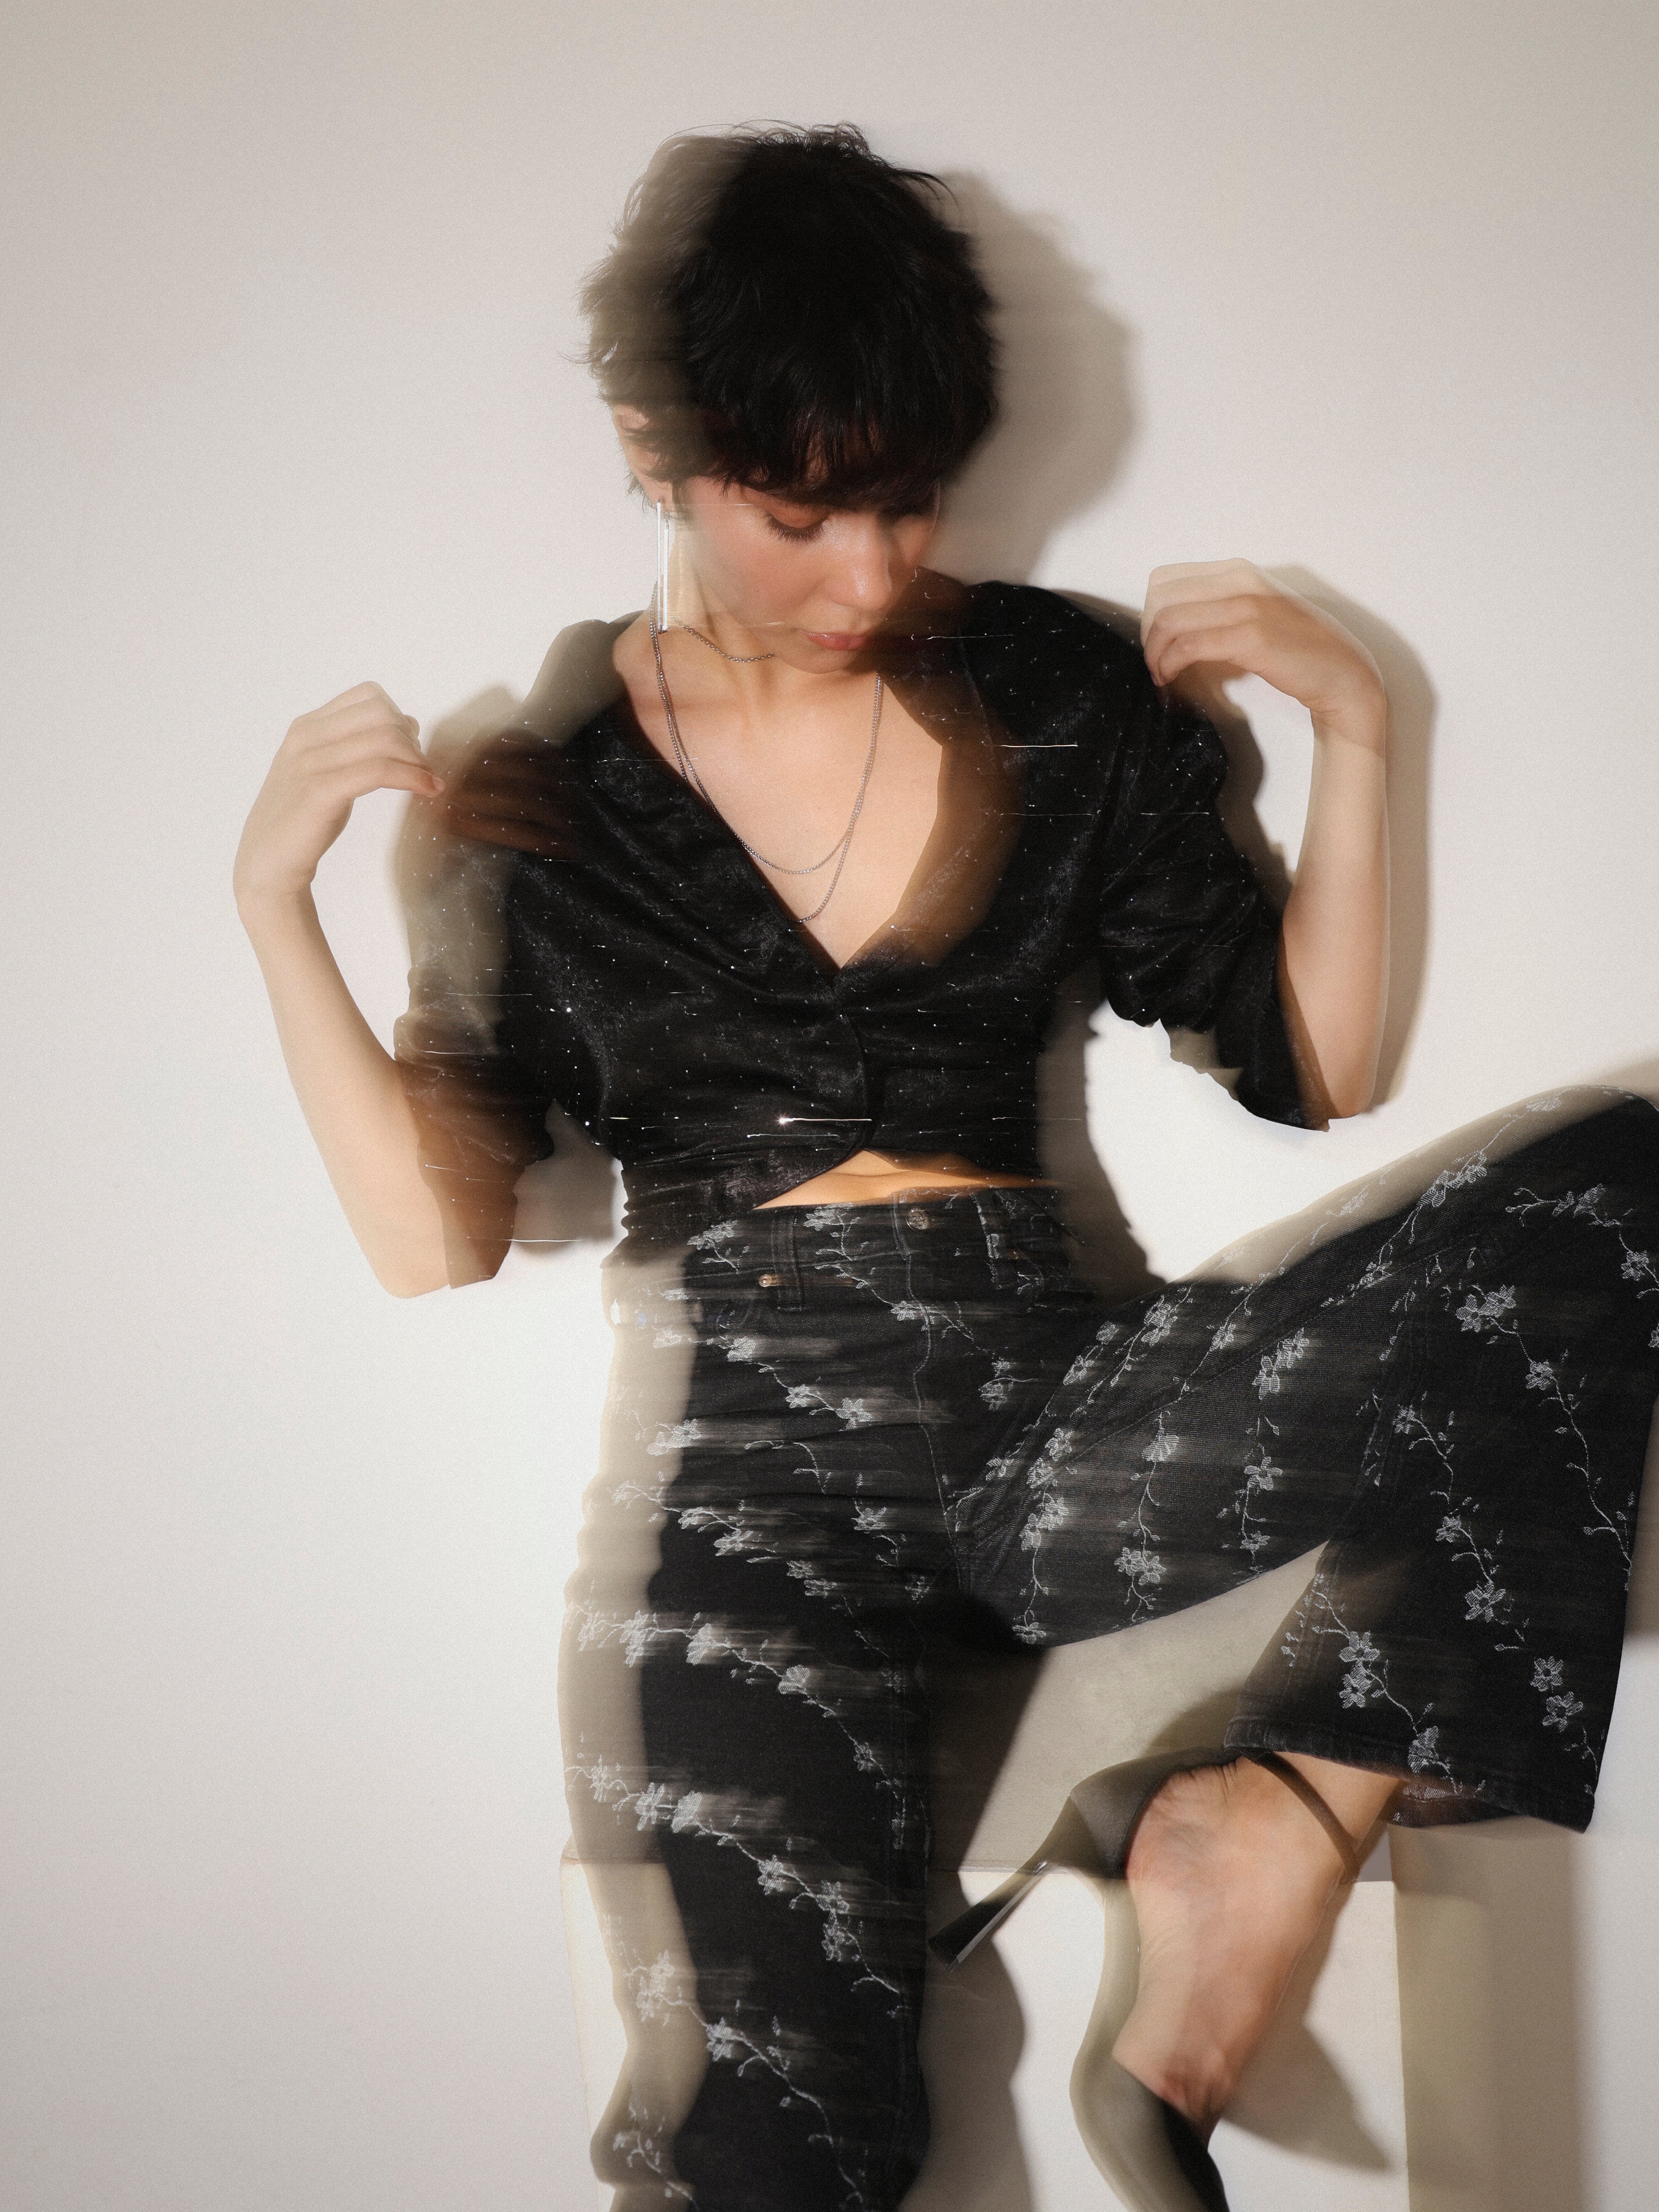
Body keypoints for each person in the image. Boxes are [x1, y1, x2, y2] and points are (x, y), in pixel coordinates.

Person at [234, 124, 1659, 2212]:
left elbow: (1314, 1061)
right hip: (759, 1508)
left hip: (1054, 1427)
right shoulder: (535, 803)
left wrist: (1361, 724)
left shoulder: (1053, 690)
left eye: (904, 503)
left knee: (1617, 1189)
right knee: (788, 2139)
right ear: (653, 451)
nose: (867, 574)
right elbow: (434, 1236)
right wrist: (275, 911)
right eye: (800, 512)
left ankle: (1277, 1808)